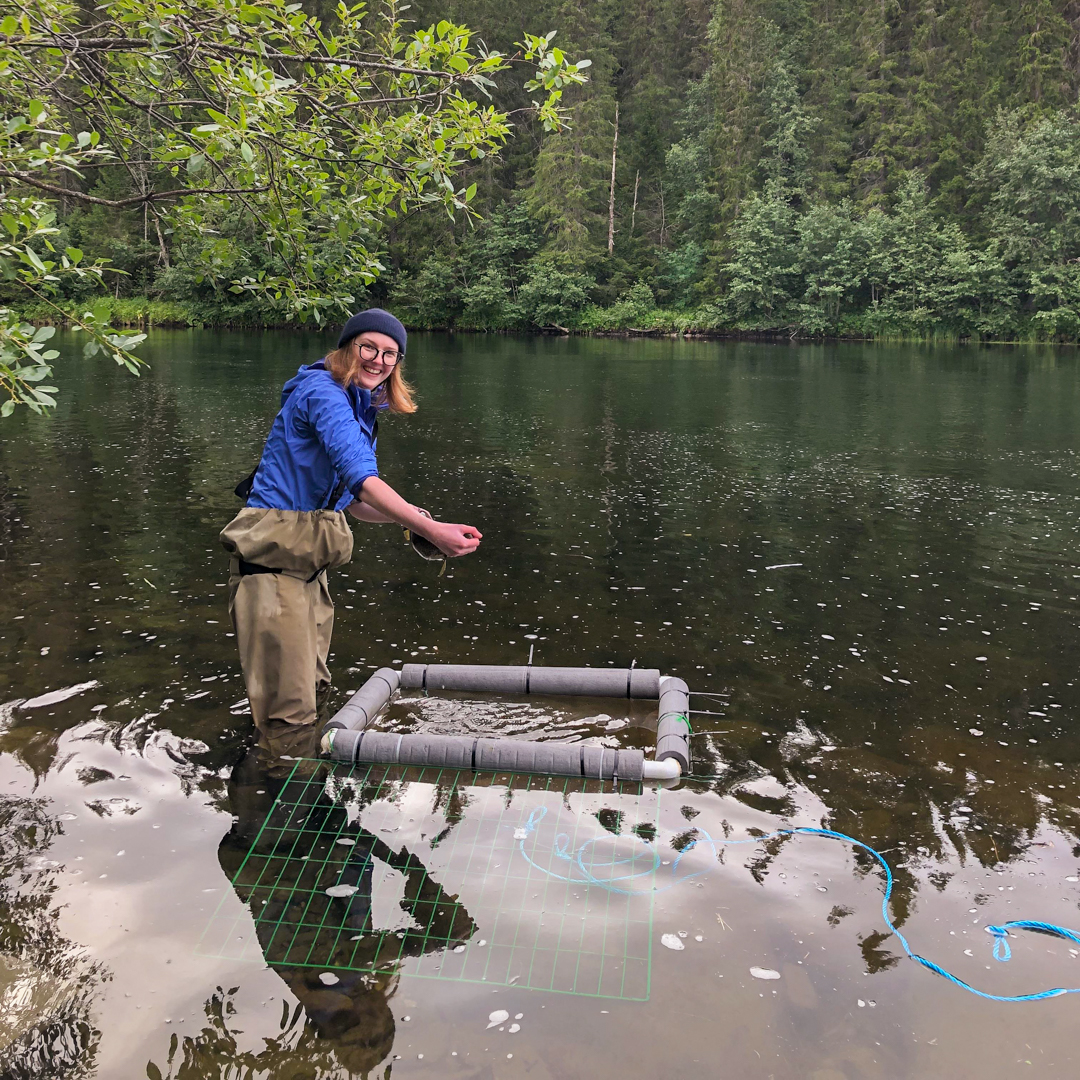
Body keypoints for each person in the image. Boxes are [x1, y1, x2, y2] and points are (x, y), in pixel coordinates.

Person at [220, 308, 481, 745]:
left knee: (315, 697)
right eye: (369, 347)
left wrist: (417, 522)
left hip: (308, 579)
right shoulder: (322, 393)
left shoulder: (357, 404)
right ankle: (274, 802)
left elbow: (354, 501)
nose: (379, 360)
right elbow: (363, 478)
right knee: (290, 720)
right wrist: (434, 533)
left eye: (391, 354)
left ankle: (296, 789)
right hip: (272, 577)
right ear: (347, 348)